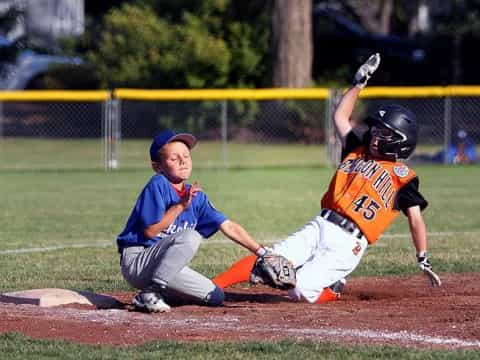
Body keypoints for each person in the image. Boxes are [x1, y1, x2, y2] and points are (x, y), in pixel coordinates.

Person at [213, 53, 441, 304]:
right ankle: (210, 288)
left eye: (383, 133)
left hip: (349, 243)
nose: (375, 136)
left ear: (400, 140)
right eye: (375, 130)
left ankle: (332, 290)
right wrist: (358, 84)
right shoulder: (356, 150)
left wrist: (423, 256)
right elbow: (339, 117)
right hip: (321, 223)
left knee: (299, 291)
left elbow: (416, 221)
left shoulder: (404, 177)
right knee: (269, 260)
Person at [116, 129, 269, 312]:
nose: (182, 161)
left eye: (186, 156)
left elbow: (228, 226)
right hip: (138, 261)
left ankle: (159, 293)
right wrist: (180, 207)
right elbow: (150, 231)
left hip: (164, 268)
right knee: (191, 236)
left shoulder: (196, 196)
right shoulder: (158, 184)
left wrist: (263, 253)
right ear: (158, 166)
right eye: (174, 158)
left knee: (215, 296)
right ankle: (150, 293)